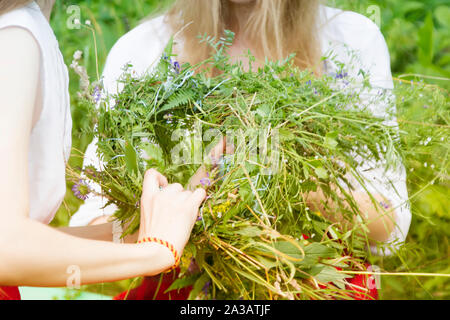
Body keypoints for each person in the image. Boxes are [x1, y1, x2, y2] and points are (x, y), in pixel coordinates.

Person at [71, 0, 412, 300]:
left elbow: (390, 226)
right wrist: (193, 198)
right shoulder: (144, 50)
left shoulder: (350, 40)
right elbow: (92, 236)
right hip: (188, 291)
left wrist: (294, 178)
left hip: (316, 283)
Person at [0, 0, 207, 300]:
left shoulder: (22, 25)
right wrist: (154, 254)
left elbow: (21, 238)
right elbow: (7, 246)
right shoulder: (17, 34)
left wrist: (128, 234)